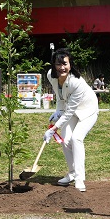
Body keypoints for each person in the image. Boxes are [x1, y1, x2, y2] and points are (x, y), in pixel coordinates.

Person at [44, 48, 99, 192]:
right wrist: (57, 111)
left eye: (65, 64)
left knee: (76, 139)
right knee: (66, 140)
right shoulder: (51, 75)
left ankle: (80, 178)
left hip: (88, 111)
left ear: (70, 64)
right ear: (53, 65)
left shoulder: (77, 82)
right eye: (58, 64)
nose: (62, 67)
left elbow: (69, 112)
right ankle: (72, 173)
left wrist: (54, 128)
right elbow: (60, 96)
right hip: (71, 110)